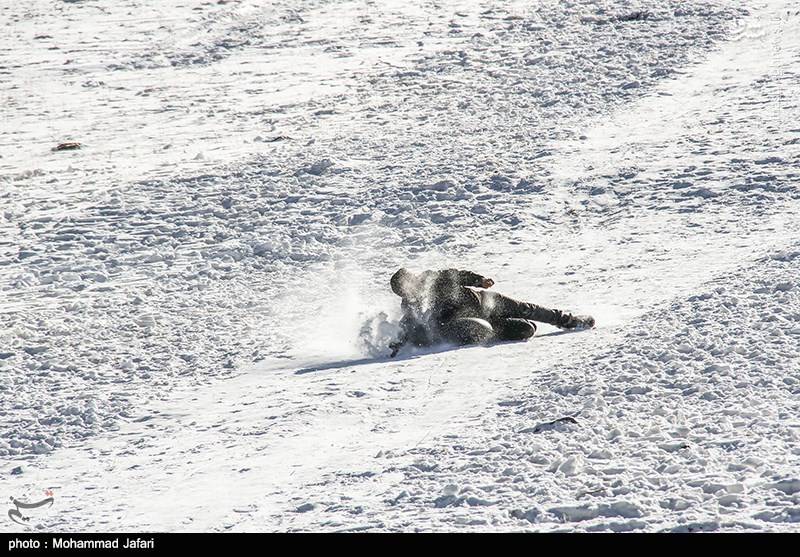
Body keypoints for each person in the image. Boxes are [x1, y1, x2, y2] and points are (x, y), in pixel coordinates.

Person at [388, 267, 594, 356]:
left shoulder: (433, 279)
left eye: (412, 281)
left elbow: (457, 275)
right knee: (526, 329)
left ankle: (569, 321)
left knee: (524, 308)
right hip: (477, 321)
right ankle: (507, 330)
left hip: (485, 302)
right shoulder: (412, 306)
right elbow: (410, 326)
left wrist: (478, 280)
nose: (413, 286)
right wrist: (399, 343)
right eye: (407, 288)